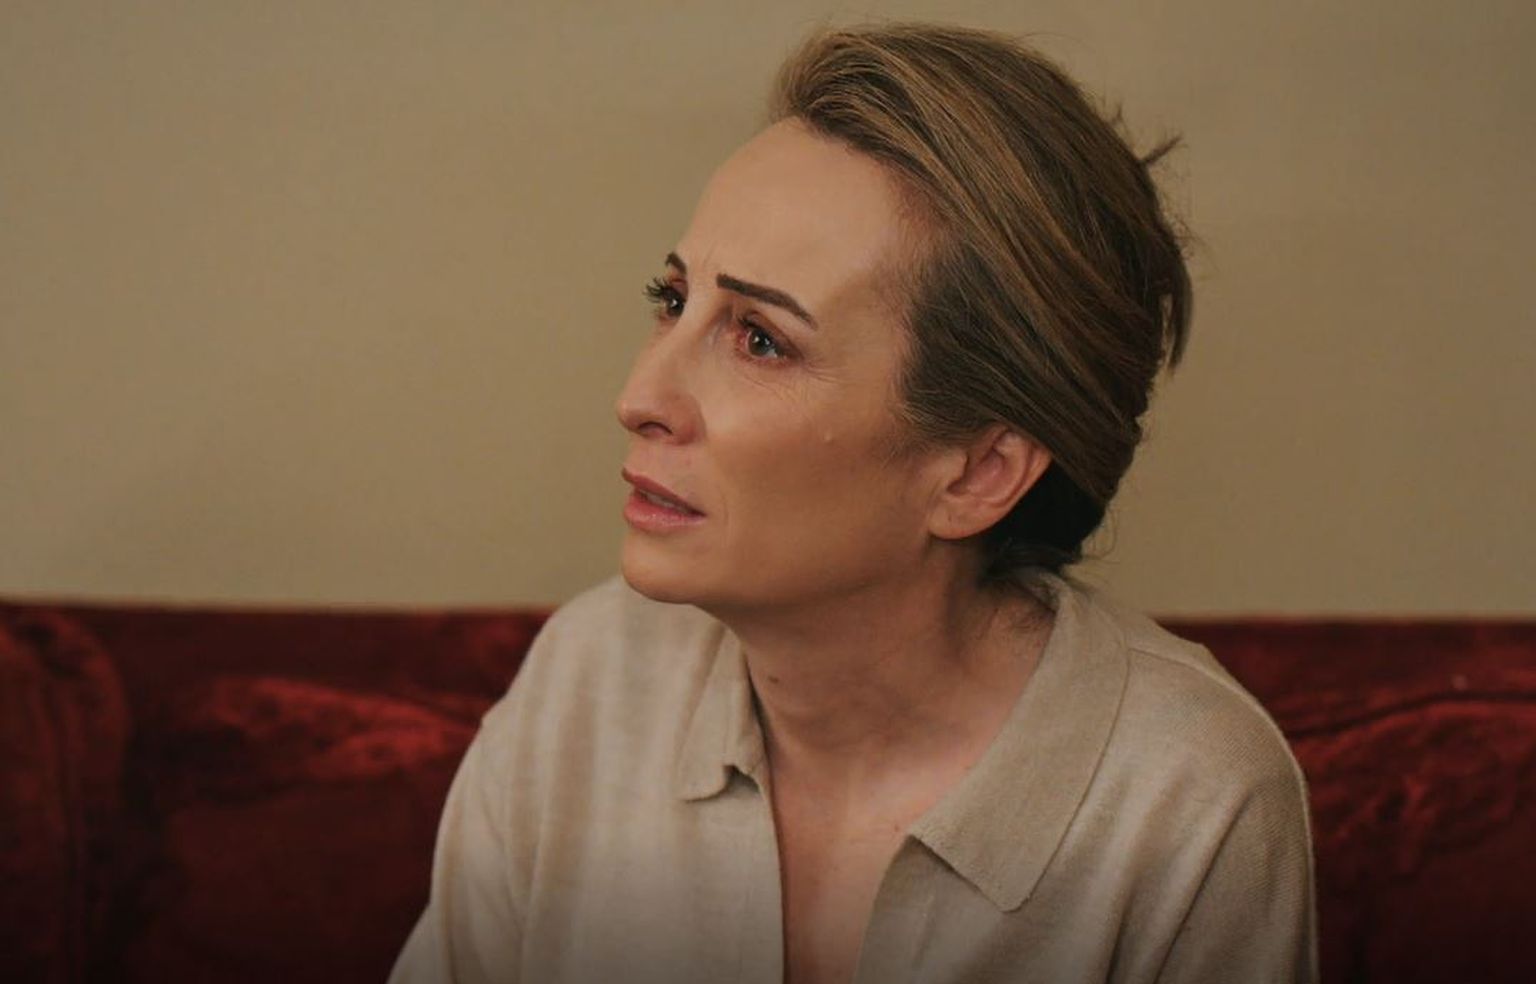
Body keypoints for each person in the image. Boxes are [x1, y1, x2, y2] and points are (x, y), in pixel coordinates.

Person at [390, 22, 1316, 984]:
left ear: (979, 472)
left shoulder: (1188, 801)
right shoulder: (589, 680)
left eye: (761, 340)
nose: (639, 397)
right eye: (672, 301)